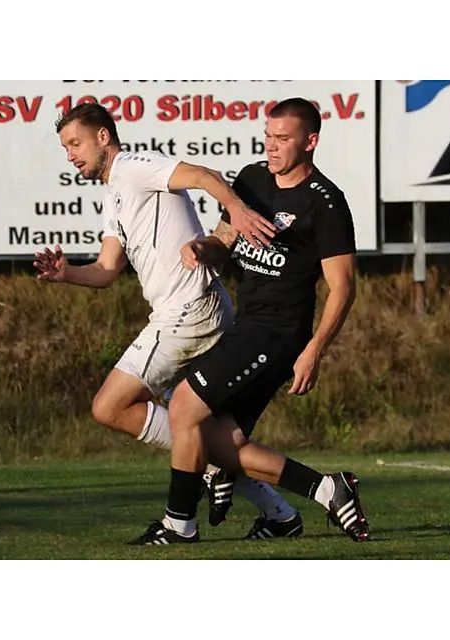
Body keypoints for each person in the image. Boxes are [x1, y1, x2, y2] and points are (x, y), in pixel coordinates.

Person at [33, 102, 303, 539]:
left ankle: (203, 482)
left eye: (75, 143)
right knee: (201, 430)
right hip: (193, 309)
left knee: (109, 406)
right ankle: (280, 514)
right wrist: (66, 274)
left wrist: (235, 210)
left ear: (103, 137)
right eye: (65, 148)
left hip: (187, 311)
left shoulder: (133, 167)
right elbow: (106, 270)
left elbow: (204, 176)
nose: (71, 155)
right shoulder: (115, 193)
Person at [128, 97, 371, 545]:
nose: (271, 146)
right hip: (246, 325)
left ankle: (179, 524)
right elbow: (224, 241)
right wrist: (203, 250)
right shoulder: (253, 179)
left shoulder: (326, 203)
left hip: (279, 333)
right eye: (267, 136)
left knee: (184, 406)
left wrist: (314, 351)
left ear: (310, 142)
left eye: (283, 138)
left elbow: (343, 287)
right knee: (222, 442)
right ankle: (327, 490)